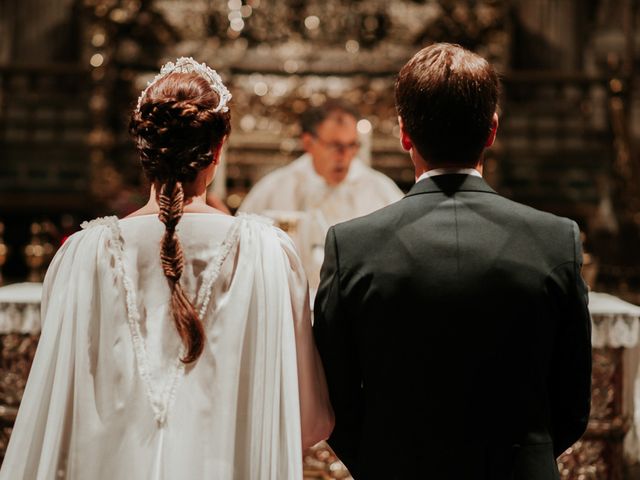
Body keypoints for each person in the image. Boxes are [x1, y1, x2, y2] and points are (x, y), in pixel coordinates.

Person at [0, 57, 333, 480]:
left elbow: (53, 417)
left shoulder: (82, 254)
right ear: (217, 150)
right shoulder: (268, 252)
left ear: (144, 151)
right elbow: (311, 421)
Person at [313, 43, 592, 479]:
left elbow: (334, 397)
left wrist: (384, 460)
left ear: (404, 133)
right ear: (492, 131)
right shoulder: (555, 240)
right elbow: (573, 400)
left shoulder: (352, 245)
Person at [238, 101, 403, 295]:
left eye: (351, 145)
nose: (344, 156)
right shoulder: (274, 189)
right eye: (335, 145)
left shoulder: (381, 191)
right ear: (308, 143)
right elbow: (243, 253)